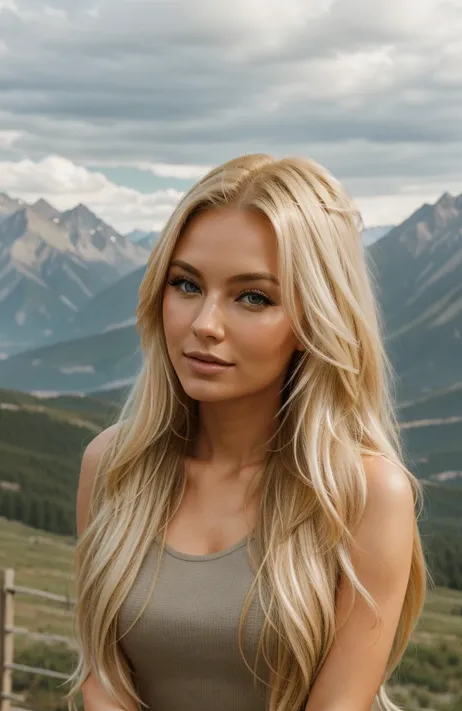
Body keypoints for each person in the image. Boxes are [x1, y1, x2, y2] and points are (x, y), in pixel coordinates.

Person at [65, 154, 428, 711]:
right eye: (186, 284)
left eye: (252, 297)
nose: (204, 324)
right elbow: (103, 679)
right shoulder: (112, 466)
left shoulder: (367, 495)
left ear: (314, 320)